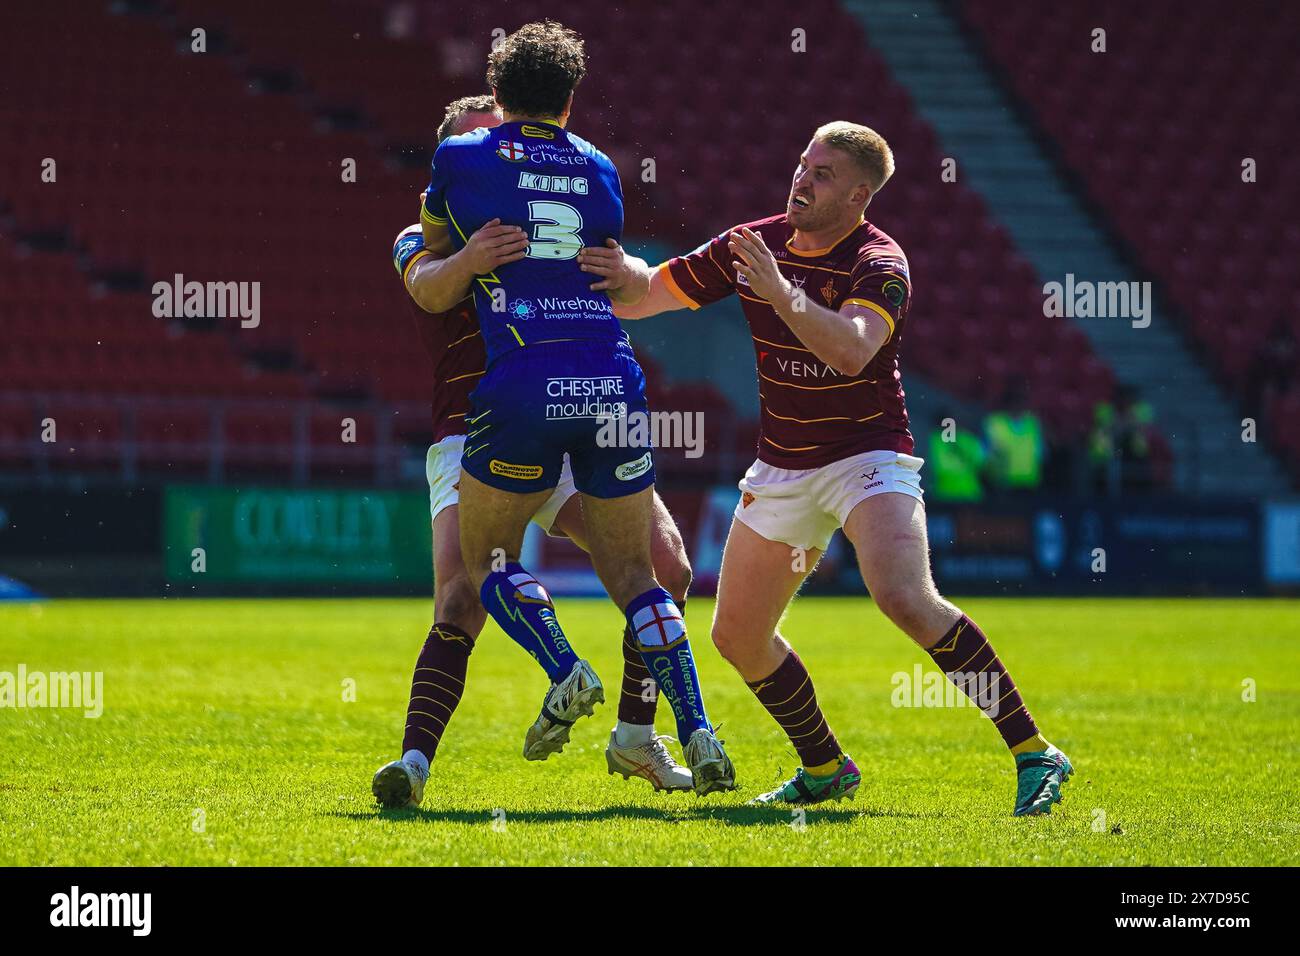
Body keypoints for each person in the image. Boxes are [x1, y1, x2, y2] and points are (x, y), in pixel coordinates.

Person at [579, 121, 1072, 815]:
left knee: (903, 595)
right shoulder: (753, 243)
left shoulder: (880, 262)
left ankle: (1033, 750)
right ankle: (825, 766)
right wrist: (610, 269)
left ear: (859, 194)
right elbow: (652, 290)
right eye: (803, 164)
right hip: (784, 464)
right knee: (736, 637)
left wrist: (783, 294)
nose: (803, 179)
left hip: (869, 454)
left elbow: (854, 351)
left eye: (824, 174)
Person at [408, 22, 735, 796]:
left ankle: (626, 721)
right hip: (603, 380)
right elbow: (433, 280)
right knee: (607, 581)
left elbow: (611, 270)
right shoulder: (596, 167)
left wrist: (469, 249)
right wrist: (468, 259)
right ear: (570, 94)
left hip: (522, 391)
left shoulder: (461, 167)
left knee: (557, 567)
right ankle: (417, 758)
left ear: (499, 97)